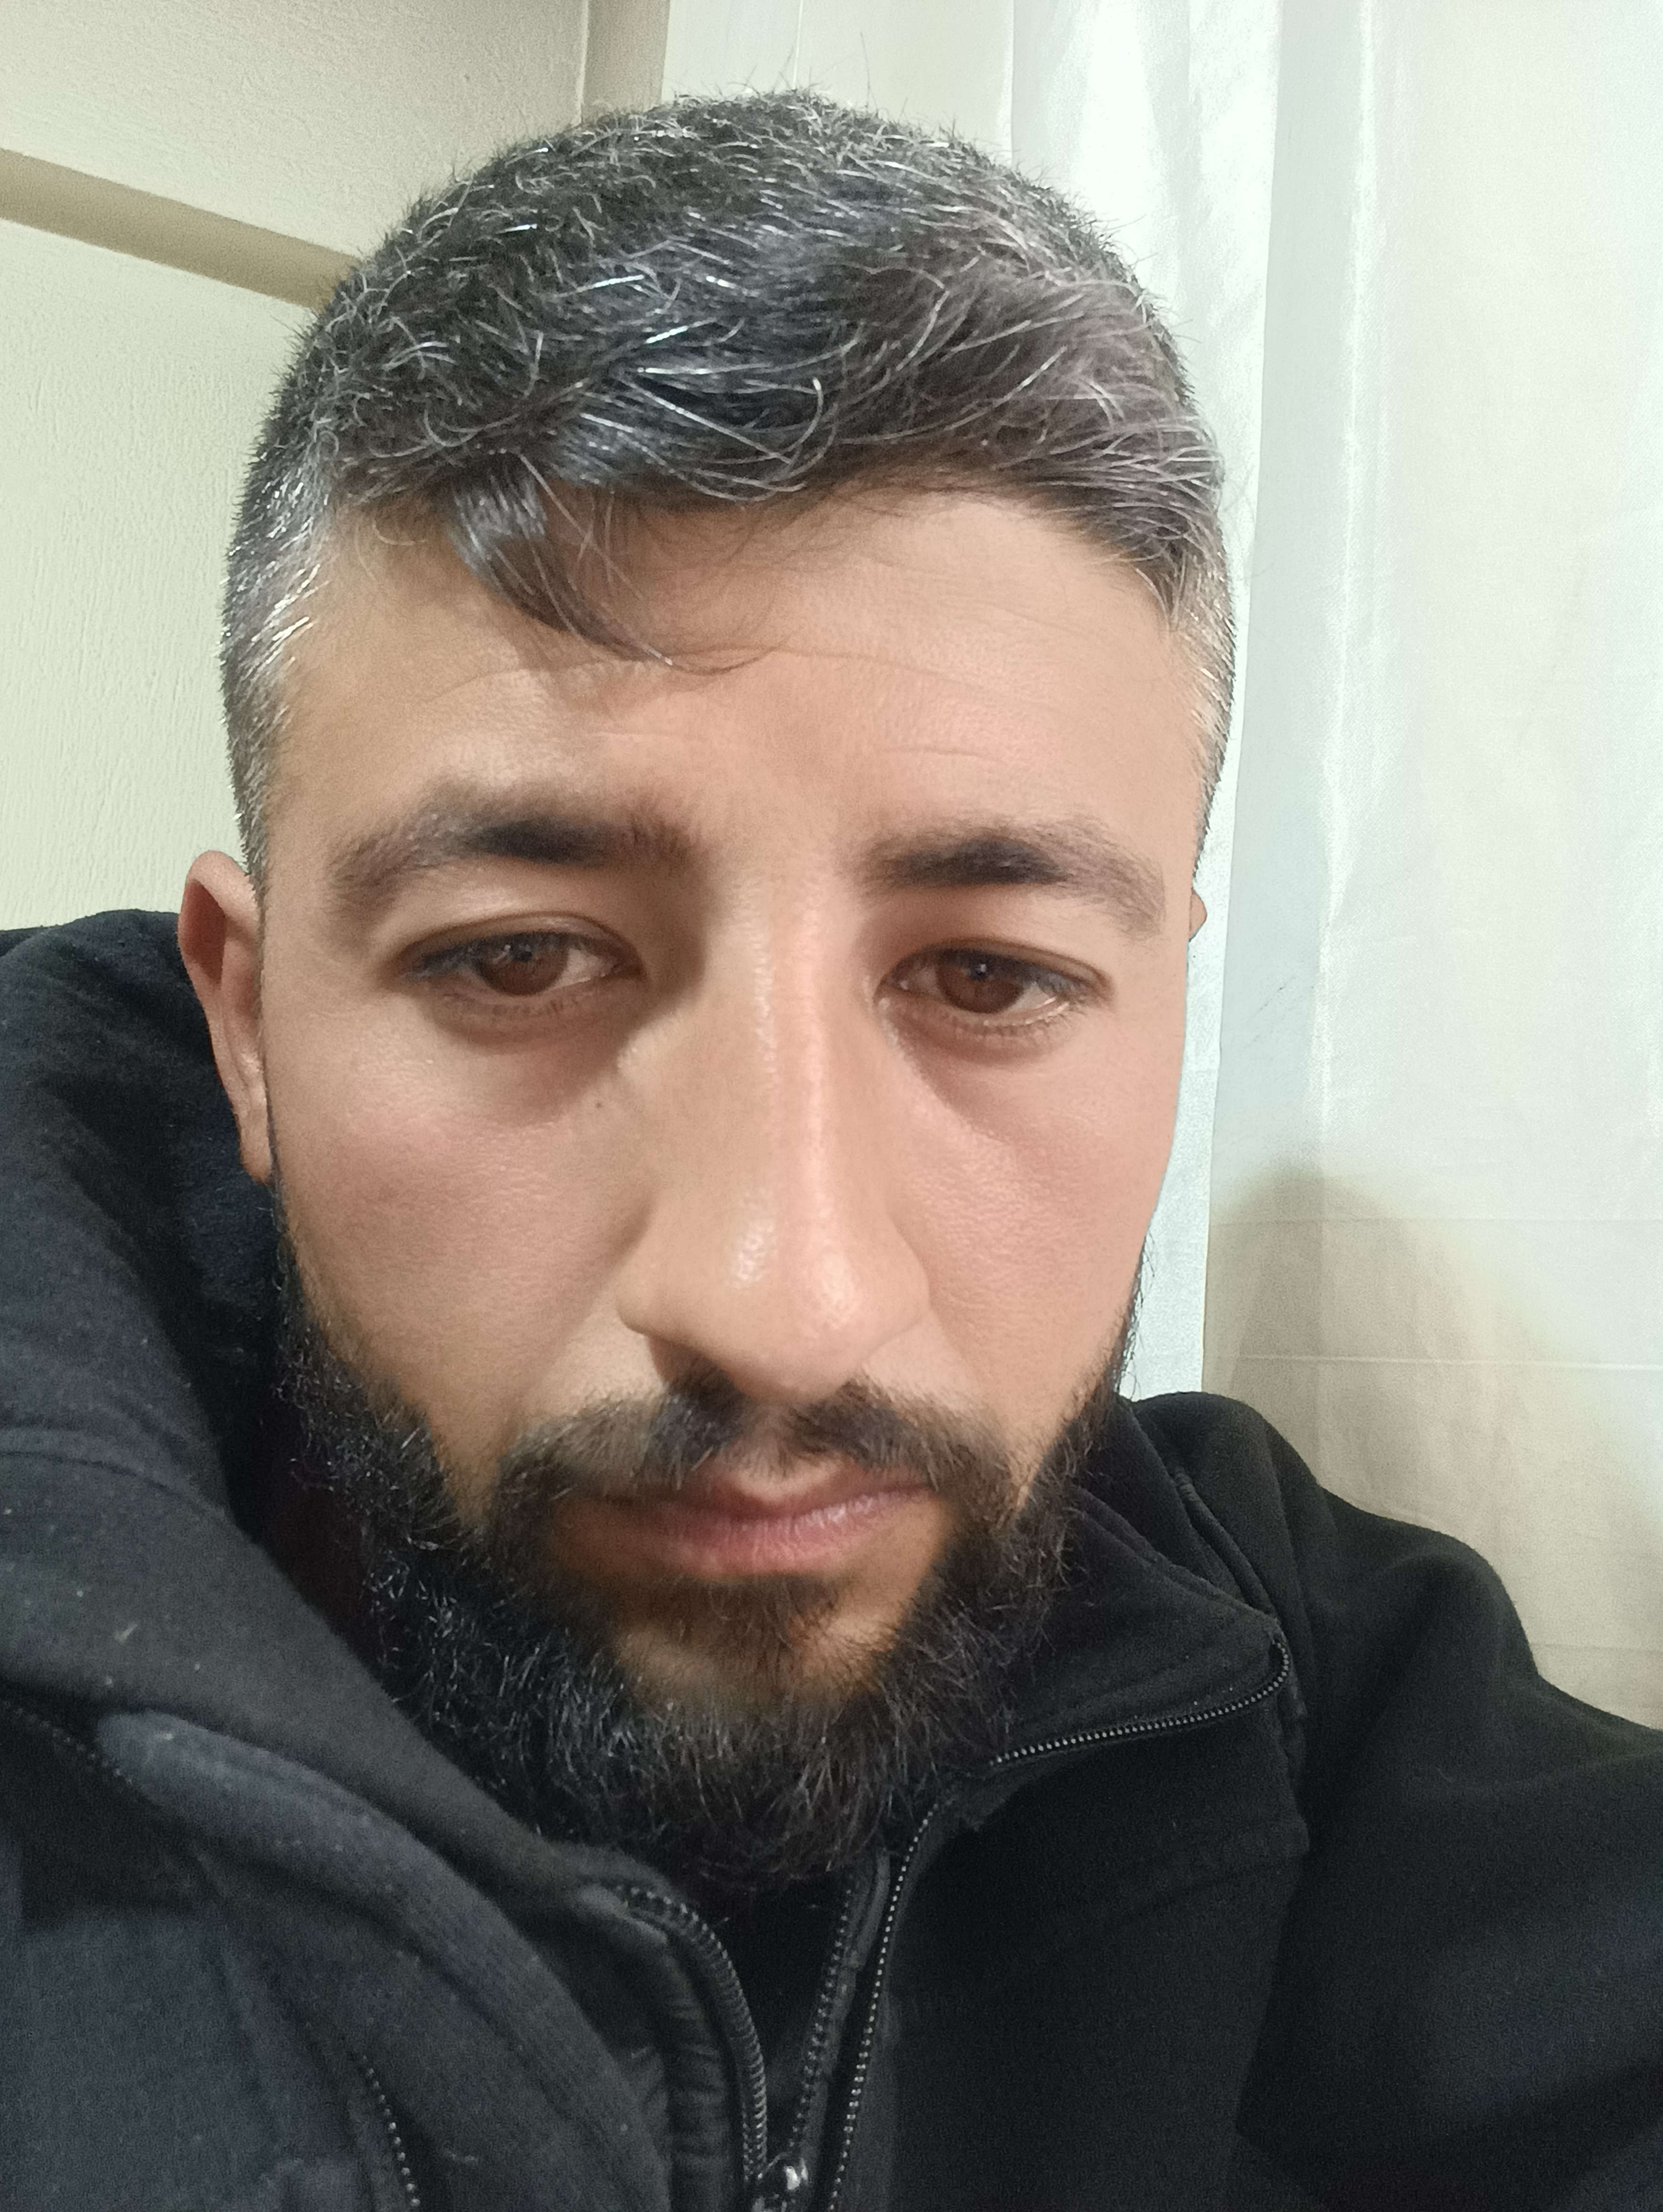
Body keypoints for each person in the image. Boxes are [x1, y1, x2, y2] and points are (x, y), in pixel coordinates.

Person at [0, 91, 1658, 2212]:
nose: (784, 1300)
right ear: (249, 1019)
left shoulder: (1270, 1673)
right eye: (519, 957)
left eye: (987, 976)